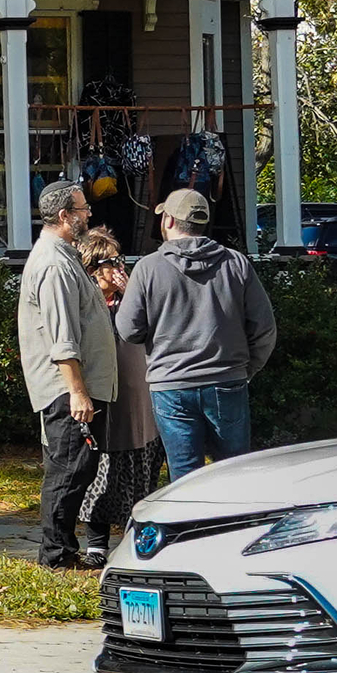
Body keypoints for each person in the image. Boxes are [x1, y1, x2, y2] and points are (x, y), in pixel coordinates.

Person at [115, 187, 277, 478]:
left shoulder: (147, 269)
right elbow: (264, 328)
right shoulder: (236, 264)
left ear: (168, 221)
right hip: (227, 381)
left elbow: (128, 330)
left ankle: (192, 524)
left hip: (171, 386)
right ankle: (233, 524)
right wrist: (247, 368)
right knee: (234, 472)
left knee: (185, 475)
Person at [16, 180, 118, 571]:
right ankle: (57, 557)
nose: (88, 214)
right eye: (82, 209)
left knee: (79, 468)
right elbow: (61, 338)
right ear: (64, 217)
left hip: (77, 387)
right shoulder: (55, 265)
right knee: (69, 470)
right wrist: (78, 392)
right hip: (68, 391)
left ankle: (61, 552)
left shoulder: (66, 256)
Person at [76, 227, 162, 569]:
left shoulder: (131, 300)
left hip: (138, 396)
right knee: (102, 473)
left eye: (120, 260)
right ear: (94, 267)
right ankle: (97, 542)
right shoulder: (87, 302)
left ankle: (134, 536)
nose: (119, 269)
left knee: (140, 470)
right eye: (111, 262)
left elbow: (153, 328)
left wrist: (133, 296)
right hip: (104, 397)